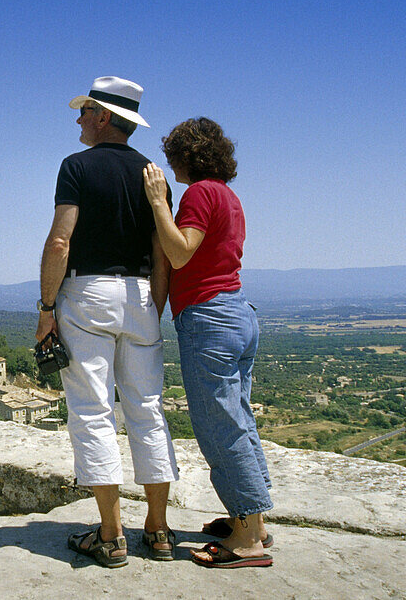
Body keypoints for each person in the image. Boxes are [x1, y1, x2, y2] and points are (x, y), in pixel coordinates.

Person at [36, 76, 178, 568]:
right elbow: (163, 254)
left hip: (87, 294)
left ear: (101, 117)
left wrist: (46, 308)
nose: (77, 120)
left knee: (92, 411)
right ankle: (158, 532)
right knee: (148, 410)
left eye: (83, 112)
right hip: (142, 295)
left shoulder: (75, 167)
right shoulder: (154, 176)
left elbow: (60, 242)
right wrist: (151, 309)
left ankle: (112, 534)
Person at [142, 117, 274, 569]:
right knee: (238, 419)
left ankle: (246, 539)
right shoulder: (229, 196)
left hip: (210, 317)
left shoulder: (200, 193)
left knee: (219, 426)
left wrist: (160, 203)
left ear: (185, 156)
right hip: (238, 311)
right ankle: (252, 520)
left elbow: (180, 251)